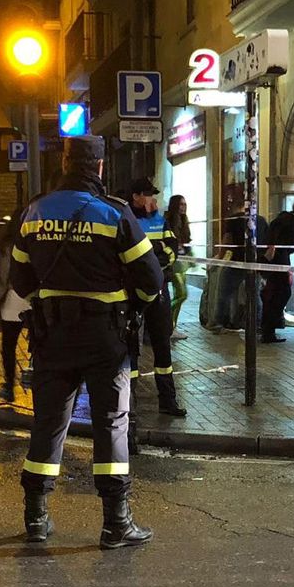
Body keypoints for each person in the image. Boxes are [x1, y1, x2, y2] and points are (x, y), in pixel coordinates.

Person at [7, 135, 164, 549]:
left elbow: (20, 282)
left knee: (48, 423)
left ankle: (36, 519)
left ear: (63, 163)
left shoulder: (34, 212)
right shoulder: (114, 214)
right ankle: (116, 523)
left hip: (51, 336)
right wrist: (135, 306)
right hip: (103, 337)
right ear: (98, 168)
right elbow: (151, 280)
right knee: (110, 423)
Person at [127, 177, 185, 418]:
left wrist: (154, 256)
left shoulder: (159, 221)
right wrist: (156, 251)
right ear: (136, 197)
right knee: (130, 348)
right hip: (131, 293)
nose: (153, 200)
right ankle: (129, 403)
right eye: (149, 195)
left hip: (158, 291)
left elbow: (172, 250)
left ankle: (168, 400)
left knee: (163, 344)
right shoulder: (125, 218)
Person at [261, 199, 294, 343]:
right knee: (282, 293)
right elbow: (289, 247)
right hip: (280, 262)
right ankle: (270, 328)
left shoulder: (282, 218)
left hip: (272, 261)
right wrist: (287, 270)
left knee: (272, 294)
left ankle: (268, 328)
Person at [164, 194, 191, 336]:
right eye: (180, 204)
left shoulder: (184, 221)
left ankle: (172, 325)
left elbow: (187, 241)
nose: (183, 207)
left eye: (184, 204)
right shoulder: (168, 221)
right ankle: (169, 324)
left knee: (180, 294)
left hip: (183, 262)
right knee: (181, 294)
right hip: (174, 262)